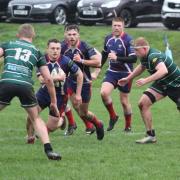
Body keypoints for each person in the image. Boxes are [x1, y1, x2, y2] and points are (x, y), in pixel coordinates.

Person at [0, 24, 61, 160]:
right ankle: (49, 150)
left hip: (7, 81)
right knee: (35, 118)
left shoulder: (8, 44)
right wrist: (53, 102)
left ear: (18, 35)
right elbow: (49, 80)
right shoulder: (37, 52)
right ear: (33, 36)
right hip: (25, 86)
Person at [118, 37, 180, 144]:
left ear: (145, 49)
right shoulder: (144, 56)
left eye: (137, 50)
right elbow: (141, 67)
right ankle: (151, 136)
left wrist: (146, 80)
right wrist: (128, 78)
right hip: (162, 83)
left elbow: (163, 70)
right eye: (134, 50)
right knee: (143, 103)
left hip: (176, 85)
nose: (135, 53)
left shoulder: (153, 56)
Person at [26, 38, 83, 142]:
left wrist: (78, 94)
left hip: (60, 95)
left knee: (52, 126)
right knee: (31, 114)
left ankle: (62, 120)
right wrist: (58, 78)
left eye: (58, 48)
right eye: (52, 48)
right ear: (47, 49)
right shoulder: (41, 60)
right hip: (44, 93)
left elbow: (80, 74)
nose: (55, 51)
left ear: (60, 50)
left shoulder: (66, 61)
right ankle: (30, 137)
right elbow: (42, 80)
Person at [61, 24, 104, 140]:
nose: (72, 37)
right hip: (70, 81)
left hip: (85, 84)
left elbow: (97, 62)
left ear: (78, 35)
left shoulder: (84, 46)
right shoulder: (61, 47)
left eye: (74, 34)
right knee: (73, 104)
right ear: (65, 35)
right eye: (69, 34)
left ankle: (98, 124)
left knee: (83, 112)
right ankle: (78, 125)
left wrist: (82, 61)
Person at [98, 17, 137, 132]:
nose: (116, 28)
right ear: (112, 26)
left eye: (119, 25)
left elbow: (133, 58)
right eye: (114, 25)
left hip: (126, 73)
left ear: (123, 26)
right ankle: (113, 116)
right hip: (112, 72)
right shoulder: (108, 39)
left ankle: (128, 126)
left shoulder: (128, 39)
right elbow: (104, 55)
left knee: (124, 102)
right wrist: (98, 68)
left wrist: (117, 58)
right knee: (104, 93)